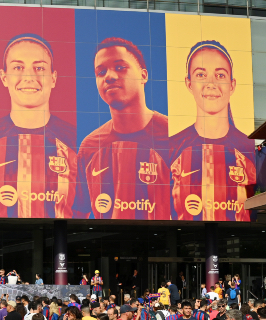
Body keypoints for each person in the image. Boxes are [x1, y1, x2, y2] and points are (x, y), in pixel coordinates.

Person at [0, 34, 81, 219]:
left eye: (39, 68)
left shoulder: (77, 140)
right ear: (3, 77)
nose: (29, 77)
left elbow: (84, 209)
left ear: (53, 78)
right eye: (18, 67)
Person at [77, 37, 171, 220]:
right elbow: (80, 213)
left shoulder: (176, 135)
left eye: (120, 67)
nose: (109, 77)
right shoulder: (90, 146)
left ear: (144, 75)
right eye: (101, 72)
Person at [167, 40, 256, 221]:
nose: (211, 84)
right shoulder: (171, 148)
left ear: (232, 85)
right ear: (189, 83)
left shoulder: (250, 149)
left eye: (220, 75)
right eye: (201, 74)